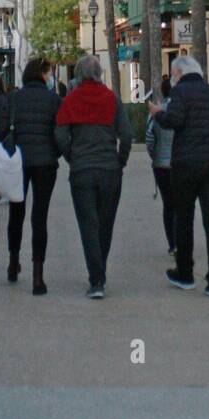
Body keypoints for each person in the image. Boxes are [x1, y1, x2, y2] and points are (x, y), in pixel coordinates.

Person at [148, 54, 209, 299]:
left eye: (173, 74)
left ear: (178, 73)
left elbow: (174, 120)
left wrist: (158, 113)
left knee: (185, 218)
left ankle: (186, 272)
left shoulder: (179, 94)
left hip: (185, 164)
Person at [55, 54, 132, 299]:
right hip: (110, 170)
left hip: (83, 170)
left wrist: (70, 156)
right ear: (100, 74)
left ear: (78, 74)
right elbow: (127, 134)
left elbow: (60, 135)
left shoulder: (71, 99)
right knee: (105, 224)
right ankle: (101, 273)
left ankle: (96, 279)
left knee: (88, 225)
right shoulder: (112, 98)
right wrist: (121, 160)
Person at [0, 57, 60, 296]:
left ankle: (12, 262)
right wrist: (56, 152)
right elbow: (59, 133)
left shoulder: (14, 99)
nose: (50, 77)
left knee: (16, 214)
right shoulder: (54, 100)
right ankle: (38, 277)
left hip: (18, 163)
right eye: (49, 73)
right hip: (46, 163)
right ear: (42, 74)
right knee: (39, 217)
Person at [146, 73, 176, 254]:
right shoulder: (183, 111)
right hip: (180, 164)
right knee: (181, 205)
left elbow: (149, 138)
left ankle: (173, 244)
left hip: (162, 166)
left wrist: (154, 155)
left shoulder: (157, 112)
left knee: (169, 205)